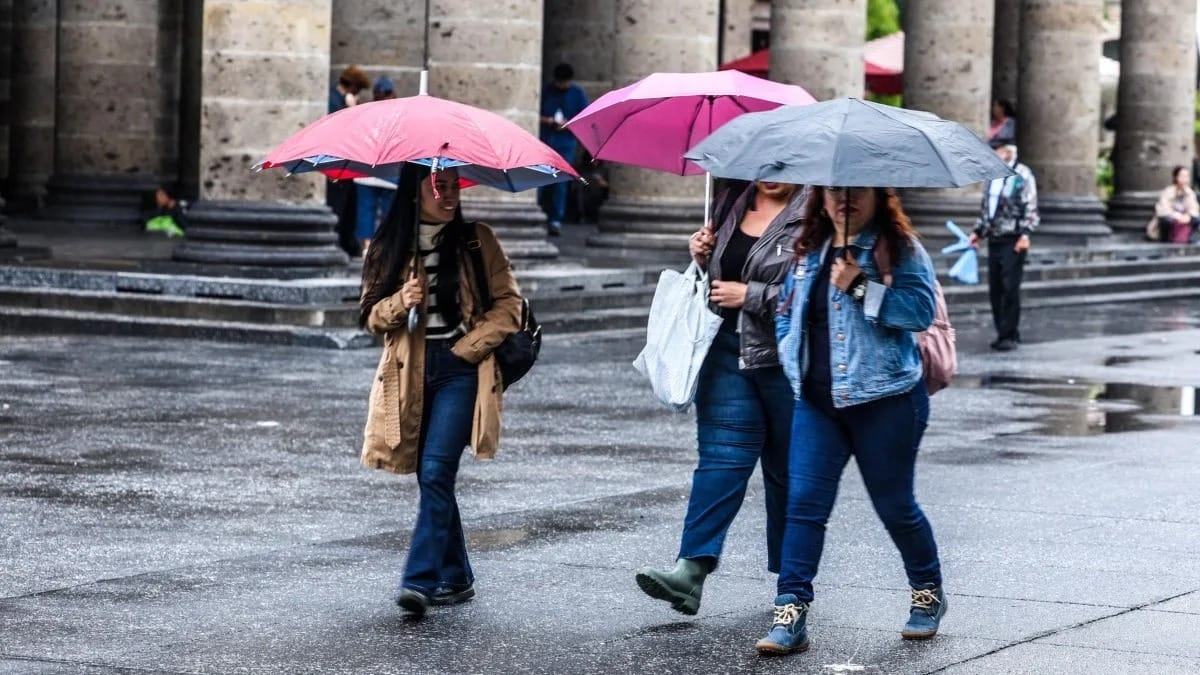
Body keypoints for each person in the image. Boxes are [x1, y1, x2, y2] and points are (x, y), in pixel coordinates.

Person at [757, 186, 945, 655]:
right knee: (803, 506)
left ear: (879, 197)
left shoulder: (899, 248)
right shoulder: (809, 248)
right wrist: (790, 359)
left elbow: (920, 313)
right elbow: (787, 311)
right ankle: (790, 611)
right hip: (818, 403)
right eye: (834, 190)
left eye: (856, 191)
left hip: (887, 399)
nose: (844, 199)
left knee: (895, 506)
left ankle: (927, 593)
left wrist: (861, 286)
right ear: (820, 198)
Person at [358, 164, 523, 617]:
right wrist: (400, 301)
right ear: (416, 193)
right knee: (428, 476)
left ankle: (419, 580)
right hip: (408, 372)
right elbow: (370, 316)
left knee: (435, 472)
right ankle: (458, 575)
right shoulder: (389, 247)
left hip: (459, 371)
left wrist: (467, 350)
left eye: (454, 187)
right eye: (439, 188)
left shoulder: (477, 240)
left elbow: (511, 306)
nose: (449, 196)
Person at [635, 181, 805, 616]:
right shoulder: (732, 200)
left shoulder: (817, 212)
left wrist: (752, 295)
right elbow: (720, 274)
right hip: (726, 351)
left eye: (782, 162)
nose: (771, 172)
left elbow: (820, 290)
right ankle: (690, 570)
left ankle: (792, 585)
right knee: (720, 460)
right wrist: (702, 256)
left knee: (788, 472)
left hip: (787, 360)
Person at [969, 136, 1038, 352]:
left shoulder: (1023, 175)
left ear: (1007, 151)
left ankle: (1009, 334)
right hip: (994, 237)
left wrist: (1026, 234)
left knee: (1010, 287)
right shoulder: (992, 176)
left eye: (996, 150)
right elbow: (987, 208)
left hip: (1014, 238)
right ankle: (1004, 330)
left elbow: (1031, 205)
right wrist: (978, 231)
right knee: (996, 287)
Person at [538, 63, 589, 236]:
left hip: (565, 142)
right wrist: (550, 121)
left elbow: (584, 117)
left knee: (560, 181)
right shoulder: (546, 91)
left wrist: (567, 124)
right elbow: (535, 113)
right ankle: (537, 212)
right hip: (545, 140)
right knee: (539, 177)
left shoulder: (577, 94)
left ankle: (555, 219)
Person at [328, 66, 372, 257]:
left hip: (345, 166)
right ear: (352, 86)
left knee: (348, 205)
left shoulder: (336, 98)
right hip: (337, 165)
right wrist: (351, 110)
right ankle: (340, 243)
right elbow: (340, 131)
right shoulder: (334, 101)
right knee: (339, 205)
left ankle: (348, 244)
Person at [353, 77, 399, 256]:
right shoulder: (397, 116)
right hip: (389, 173)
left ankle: (367, 248)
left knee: (366, 211)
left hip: (365, 171)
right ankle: (384, 248)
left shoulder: (365, 113)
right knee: (388, 214)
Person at [1148, 165, 1200, 244]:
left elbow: (1194, 208)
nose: (1185, 178)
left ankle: (1188, 236)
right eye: (1182, 176)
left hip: (1184, 219)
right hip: (1172, 217)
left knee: (1196, 218)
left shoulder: (1190, 192)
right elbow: (1163, 208)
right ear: (1176, 177)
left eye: (1187, 176)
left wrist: (1188, 216)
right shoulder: (1168, 191)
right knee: (1166, 220)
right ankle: (1167, 237)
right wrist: (1177, 216)